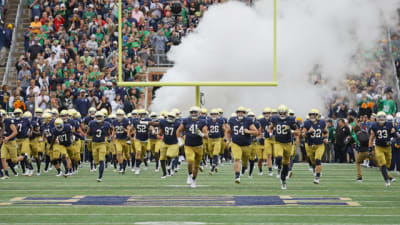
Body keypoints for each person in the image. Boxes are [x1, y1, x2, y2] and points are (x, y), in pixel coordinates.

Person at [176, 106, 208, 188]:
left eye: (195, 112)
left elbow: (207, 136)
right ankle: (190, 174)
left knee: (196, 166)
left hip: (199, 146)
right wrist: (179, 139)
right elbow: (179, 130)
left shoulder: (203, 121)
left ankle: (194, 179)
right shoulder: (186, 120)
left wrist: (201, 134)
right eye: (192, 112)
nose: (193, 114)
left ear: (199, 113)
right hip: (188, 145)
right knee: (190, 161)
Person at [269, 105, 299, 190]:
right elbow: (271, 127)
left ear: (286, 113)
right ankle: (278, 167)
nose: (282, 114)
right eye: (280, 113)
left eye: (283, 113)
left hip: (288, 144)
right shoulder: (275, 119)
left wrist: (291, 130)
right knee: (278, 157)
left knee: (286, 165)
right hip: (278, 142)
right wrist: (271, 134)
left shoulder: (291, 120)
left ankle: (283, 180)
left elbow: (298, 132)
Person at [225, 107, 258, 183]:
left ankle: (245, 167)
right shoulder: (232, 120)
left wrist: (248, 131)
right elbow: (228, 131)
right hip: (235, 143)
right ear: (237, 113)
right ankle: (237, 176)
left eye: (242, 112)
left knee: (245, 162)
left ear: (244, 113)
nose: (240, 113)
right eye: (239, 112)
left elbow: (256, 132)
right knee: (237, 159)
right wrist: (227, 140)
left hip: (246, 145)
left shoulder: (248, 120)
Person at [369, 111, 397, 187]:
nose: (381, 119)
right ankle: (387, 181)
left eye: (383, 117)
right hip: (379, 147)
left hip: (388, 147)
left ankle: (388, 177)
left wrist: (392, 137)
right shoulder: (374, 126)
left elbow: (394, 136)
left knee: (388, 165)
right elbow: (371, 138)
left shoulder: (389, 124)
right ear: (377, 118)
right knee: (383, 163)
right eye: (380, 117)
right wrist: (370, 148)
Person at [302, 109, 328, 184]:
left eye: (314, 115)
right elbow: (302, 134)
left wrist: (326, 138)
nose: (312, 116)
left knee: (318, 160)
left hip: (319, 145)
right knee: (313, 161)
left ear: (317, 115)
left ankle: (317, 177)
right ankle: (315, 168)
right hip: (310, 146)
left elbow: (325, 132)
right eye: (311, 115)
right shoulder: (307, 123)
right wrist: (308, 132)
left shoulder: (322, 122)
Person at [87, 111, 112, 182]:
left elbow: (108, 133)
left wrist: (109, 138)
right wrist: (86, 137)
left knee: (101, 160)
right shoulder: (92, 123)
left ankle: (100, 177)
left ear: (103, 117)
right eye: (97, 116)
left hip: (102, 144)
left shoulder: (106, 124)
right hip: (94, 144)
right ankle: (97, 166)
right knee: (96, 161)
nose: (98, 118)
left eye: (100, 116)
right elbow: (88, 132)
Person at [159, 111, 181, 178]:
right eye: (170, 117)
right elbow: (158, 126)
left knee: (169, 155)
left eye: (172, 117)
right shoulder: (163, 122)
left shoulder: (177, 123)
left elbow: (181, 130)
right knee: (162, 159)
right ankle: (164, 173)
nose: (170, 118)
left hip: (173, 143)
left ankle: (170, 164)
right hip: (164, 142)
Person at [112, 109, 131, 174]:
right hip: (118, 140)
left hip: (125, 139)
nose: (119, 116)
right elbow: (114, 130)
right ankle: (121, 167)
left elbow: (129, 130)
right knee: (119, 153)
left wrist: (128, 137)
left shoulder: (126, 121)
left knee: (126, 155)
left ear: (123, 115)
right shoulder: (114, 121)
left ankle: (124, 167)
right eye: (118, 115)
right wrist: (113, 139)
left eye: (120, 115)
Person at [207, 109, 225, 176]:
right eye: (212, 114)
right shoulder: (208, 121)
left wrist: (226, 135)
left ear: (217, 115)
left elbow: (224, 129)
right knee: (211, 154)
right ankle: (215, 165)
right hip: (210, 139)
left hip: (218, 139)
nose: (214, 115)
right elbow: (205, 129)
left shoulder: (220, 121)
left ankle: (212, 169)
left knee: (215, 153)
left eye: (215, 114)